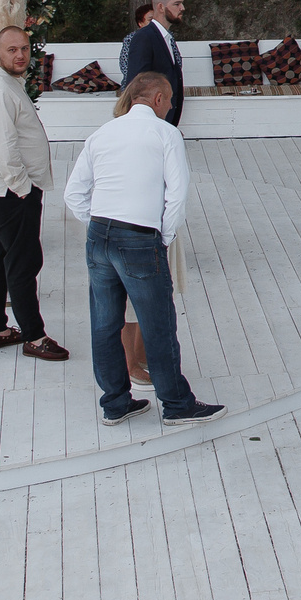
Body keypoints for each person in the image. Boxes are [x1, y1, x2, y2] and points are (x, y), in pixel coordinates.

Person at [63, 71, 221, 426]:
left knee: (105, 325)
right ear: (159, 99)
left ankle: (115, 403)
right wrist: (161, 237)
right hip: (140, 237)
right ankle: (177, 405)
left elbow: (73, 194)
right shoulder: (165, 133)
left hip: (99, 235)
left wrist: (98, 222)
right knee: (158, 323)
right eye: (169, 102)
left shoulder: (102, 133)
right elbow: (176, 195)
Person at [0, 24, 68, 361]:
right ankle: (34, 336)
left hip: (5, 190)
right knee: (24, 261)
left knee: (0, 257)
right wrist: (23, 188)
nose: (20, 55)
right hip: (11, 191)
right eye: (12, 50)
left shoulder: (6, 84)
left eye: (24, 48)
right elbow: (2, 148)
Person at [122, 0, 187, 125]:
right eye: (177, 4)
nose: (182, 8)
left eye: (181, 3)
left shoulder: (167, 38)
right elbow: (136, 83)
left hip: (165, 120)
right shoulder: (144, 37)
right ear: (160, 7)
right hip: (150, 123)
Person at [115, 3, 152, 87]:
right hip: (135, 84)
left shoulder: (165, 37)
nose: (154, 23)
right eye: (150, 20)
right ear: (140, 23)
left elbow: (176, 62)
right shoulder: (131, 39)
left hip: (160, 83)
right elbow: (125, 66)